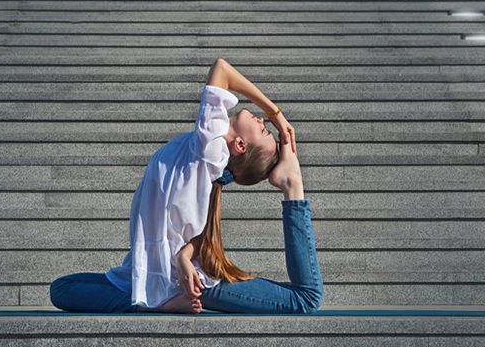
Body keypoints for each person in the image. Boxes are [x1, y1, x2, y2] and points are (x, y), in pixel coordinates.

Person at [50, 59, 323, 314]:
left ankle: (293, 185)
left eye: (263, 130)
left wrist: (277, 115)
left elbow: (222, 69)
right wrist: (183, 256)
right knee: (61, 288)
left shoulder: (210, 148)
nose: (263, 121)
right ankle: (157, 300)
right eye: (266, 125)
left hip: (194, 284)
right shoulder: (204, 153)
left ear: (240, 146)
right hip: (155, 273)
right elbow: (194, 229)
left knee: (306, 298)